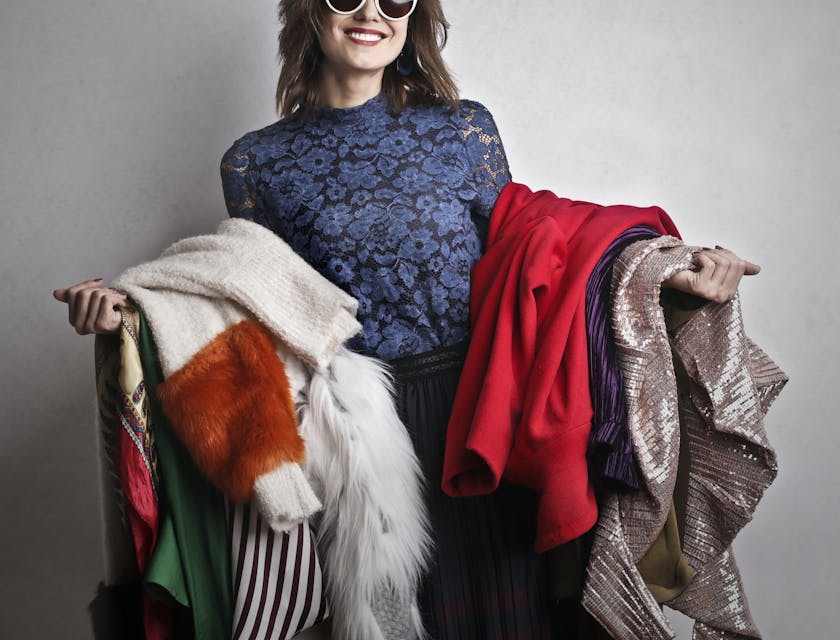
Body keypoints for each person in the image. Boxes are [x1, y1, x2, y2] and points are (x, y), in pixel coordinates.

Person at [53, 0, 760, 637]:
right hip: (357, 437)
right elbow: (247, 296)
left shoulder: (464, 130)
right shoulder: (254, 163)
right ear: (308, 10)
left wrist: (664, 266)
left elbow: (533, 247)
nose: (371, 13)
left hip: (477, 419)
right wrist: (137, 311)